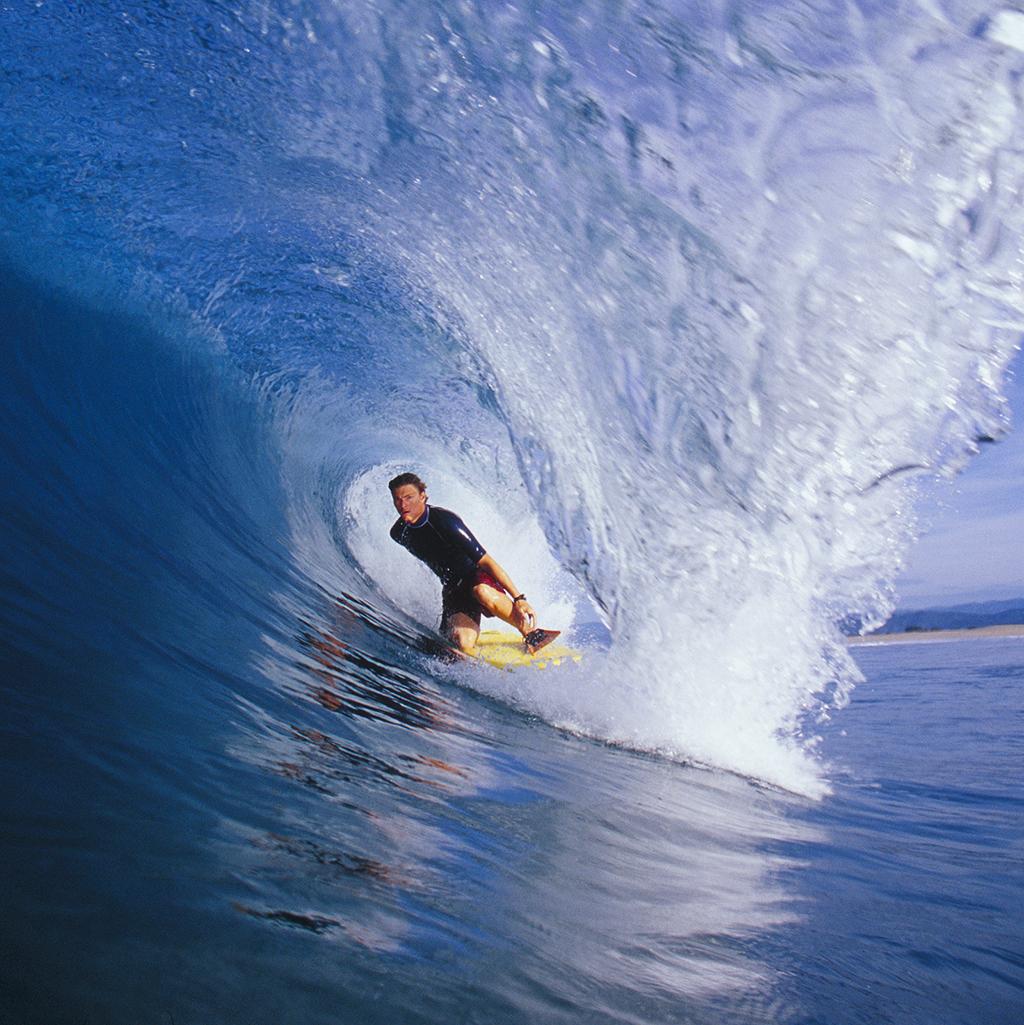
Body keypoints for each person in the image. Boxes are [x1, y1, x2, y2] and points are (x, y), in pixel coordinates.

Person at [388, 472, 559, 656]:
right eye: (397, 500)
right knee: (461, 643)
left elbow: (486, 561)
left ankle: (531, 634)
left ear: (422, 496)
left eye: (409, 498)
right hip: (454, 588)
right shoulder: (399, 533)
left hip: (478, 577)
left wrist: (519, 598)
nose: (403, 505)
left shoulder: (446, 521)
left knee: (481, 592)